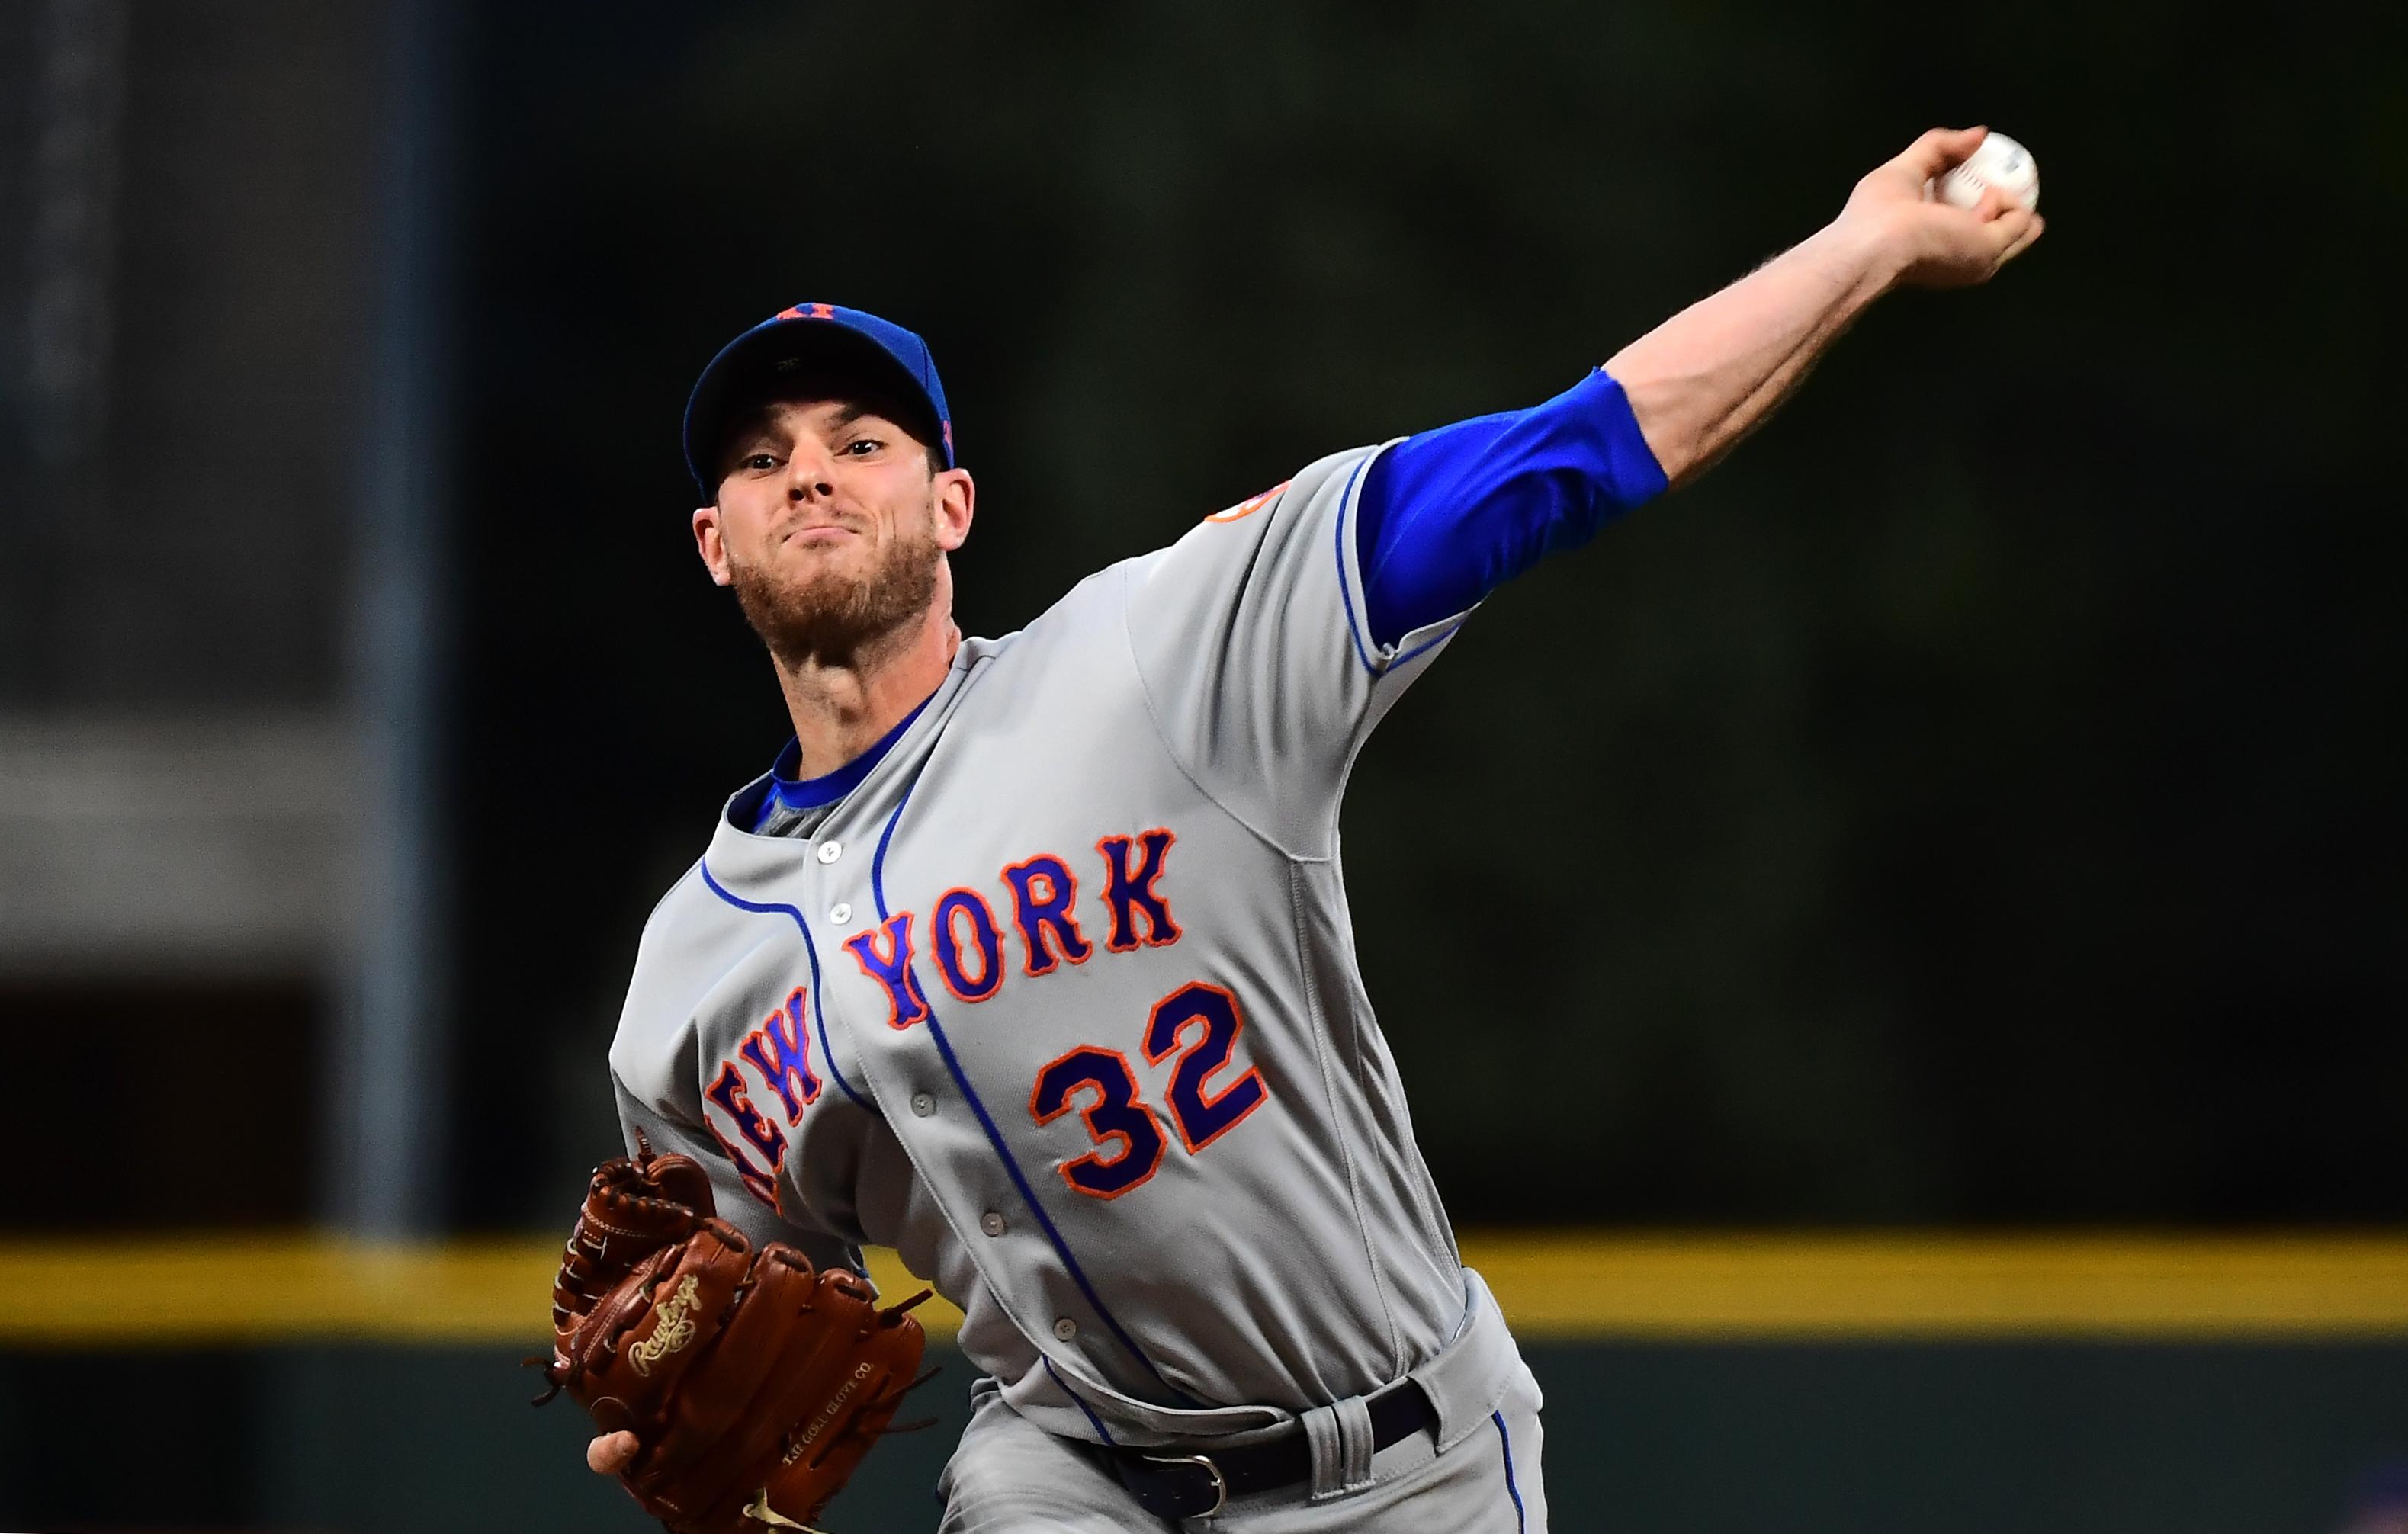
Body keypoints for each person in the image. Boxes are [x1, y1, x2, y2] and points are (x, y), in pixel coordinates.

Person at [587, 127, 2042, 1531]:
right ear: (717, 543)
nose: (813, 475)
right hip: (1069, 1476)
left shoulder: (1159, 657)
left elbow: (1568, 453)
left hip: (1409, 1461)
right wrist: (658, 1422)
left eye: (861, 438)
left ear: (951, 504)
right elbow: (715, 1345)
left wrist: (1862, 245)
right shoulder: (689, 982)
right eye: (763, 460)